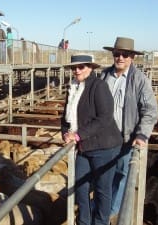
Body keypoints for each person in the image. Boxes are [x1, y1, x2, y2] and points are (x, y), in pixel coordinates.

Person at [100, 37, 158, 224]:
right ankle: (103, 208)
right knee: (103, 174)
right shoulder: (103, 76)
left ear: (132, 57)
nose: (120, 58)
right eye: (117, 54)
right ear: (113, 55)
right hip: (103, 138)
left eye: (125, 54)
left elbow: (150, 110)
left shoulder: (139, 79)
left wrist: (142, 134)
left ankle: (111, 212)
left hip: (126, 137)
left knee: (123, 174)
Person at [61, 54, 123, 225]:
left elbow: (105, 117)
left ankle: (101, 222)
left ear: (90, 68)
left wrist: (78, 135)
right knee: (80, 187)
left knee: (102, 189)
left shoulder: (98, 86)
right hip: (84, 147)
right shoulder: (73, 87)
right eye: (74, 67)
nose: (77, 70)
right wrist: (66, 134)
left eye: (81, 67)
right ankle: (84, 221)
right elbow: (65, 117)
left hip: (104, 147)